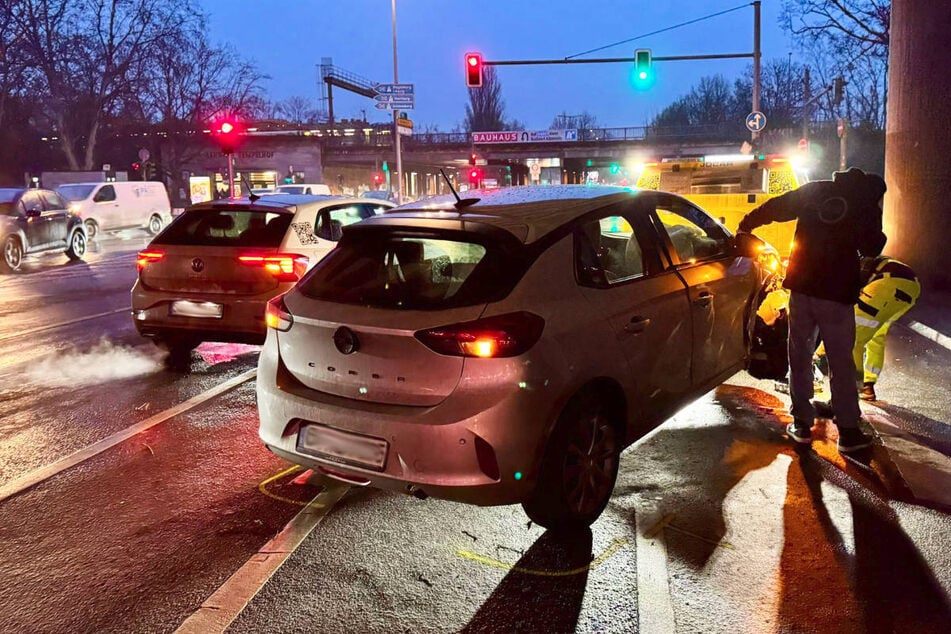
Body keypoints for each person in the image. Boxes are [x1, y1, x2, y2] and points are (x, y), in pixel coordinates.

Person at [738, 167, 887, 452]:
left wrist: (747, 223)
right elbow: (872, 246)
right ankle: (848, 431)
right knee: (841, 362)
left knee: (800, 354)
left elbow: (777, 206)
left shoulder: (816, 189)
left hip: (803, 288)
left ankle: (802, 425)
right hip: (837, 294)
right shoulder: (863, 203)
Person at [815, 255, 921, 401]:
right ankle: (868, 385)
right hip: (912, 288)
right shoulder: (860, 263)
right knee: (876, 333)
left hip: (887, 284)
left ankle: (848, 395)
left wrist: (818, 354)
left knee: (852, 337)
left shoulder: (845, 272)